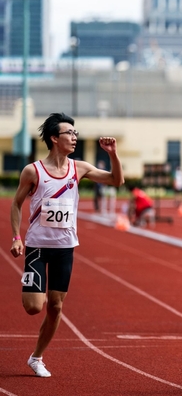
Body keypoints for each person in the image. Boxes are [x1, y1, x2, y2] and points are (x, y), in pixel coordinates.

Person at [10, 113, 124, 378]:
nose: (74, 137)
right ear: (54, 138)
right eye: (69, 133)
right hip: (37, 247)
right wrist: (16, 237)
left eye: (75, 133)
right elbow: (16, 204)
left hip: (65, 247)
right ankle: (32, 287)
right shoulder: (33, 171)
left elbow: (116, 181)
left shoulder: (79, 168)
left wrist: (113, 154)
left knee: (56, 307)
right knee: (33, 307)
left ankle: (37, 357)